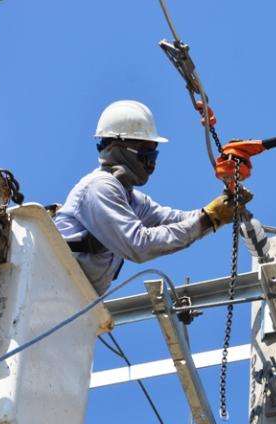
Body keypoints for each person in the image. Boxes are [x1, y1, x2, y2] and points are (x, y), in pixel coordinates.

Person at [54, 100, 251, 294]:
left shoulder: (132, 199)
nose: (151, 165)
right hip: (54, 288)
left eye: (153, 156)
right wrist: (208, 219)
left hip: (76, 301)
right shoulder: (99, 187)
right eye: (146, 155)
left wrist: (220, 208)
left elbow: (177, 220)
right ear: (119, 148)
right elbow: (139, 245)